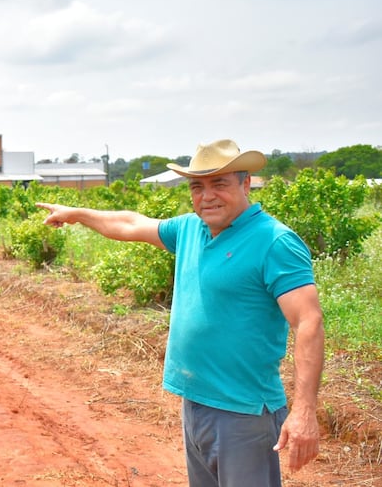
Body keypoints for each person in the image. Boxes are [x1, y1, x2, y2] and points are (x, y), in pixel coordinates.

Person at [36, 139, 324, 487]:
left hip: (243, 412)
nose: (208, 196)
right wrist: (77, 214)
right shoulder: (190, 228)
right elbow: (130, 224)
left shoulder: (274, 242)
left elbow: (308, 321)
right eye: (197, 187)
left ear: (246, 184)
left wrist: (305, 410)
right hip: (196, 402)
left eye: (220, 184)